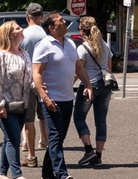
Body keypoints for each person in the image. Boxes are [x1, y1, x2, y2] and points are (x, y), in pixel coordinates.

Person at [33, 12, 93, 179]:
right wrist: (44, 97)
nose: (65, 22)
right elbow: (36, 73)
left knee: (58, 139)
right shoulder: (44, 45)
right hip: (52, 99)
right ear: (52, 28)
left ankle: (47, 174)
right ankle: (62, 174)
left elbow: (79, 68)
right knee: (56, 137)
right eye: (61, 21)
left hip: (68, 98)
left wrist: (88, 84)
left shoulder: (70, 43)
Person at [0, 21, 32, 179]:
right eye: (17, 28)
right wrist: (0, 104)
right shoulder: (0, 56)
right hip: (3, 104)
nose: (22, 29)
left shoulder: (24, 53)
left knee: (9, 138)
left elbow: (29, 79)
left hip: (22, 104)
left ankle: (2, 174)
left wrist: (39, 87)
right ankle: (17, 175)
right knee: (14, 137)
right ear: (10, 35)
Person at [74, 17, 113, 167]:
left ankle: (88, 149)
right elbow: (108, 67)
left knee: (78, 117)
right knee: (101, 121)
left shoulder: (82, 48)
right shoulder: (105, 45)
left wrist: (69, 85)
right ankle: (98, 155)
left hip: (89, 86)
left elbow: (79, 70)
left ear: (82, 31)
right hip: (105, 86)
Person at [19, 4, 46, 169]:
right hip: (44, 78)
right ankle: (44, 141)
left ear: (27, 15)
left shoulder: (22, 34)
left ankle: (27, 147)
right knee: (45, 114)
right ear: (41, 16)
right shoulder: (46, 34)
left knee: (28, 117)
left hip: (26, 78)